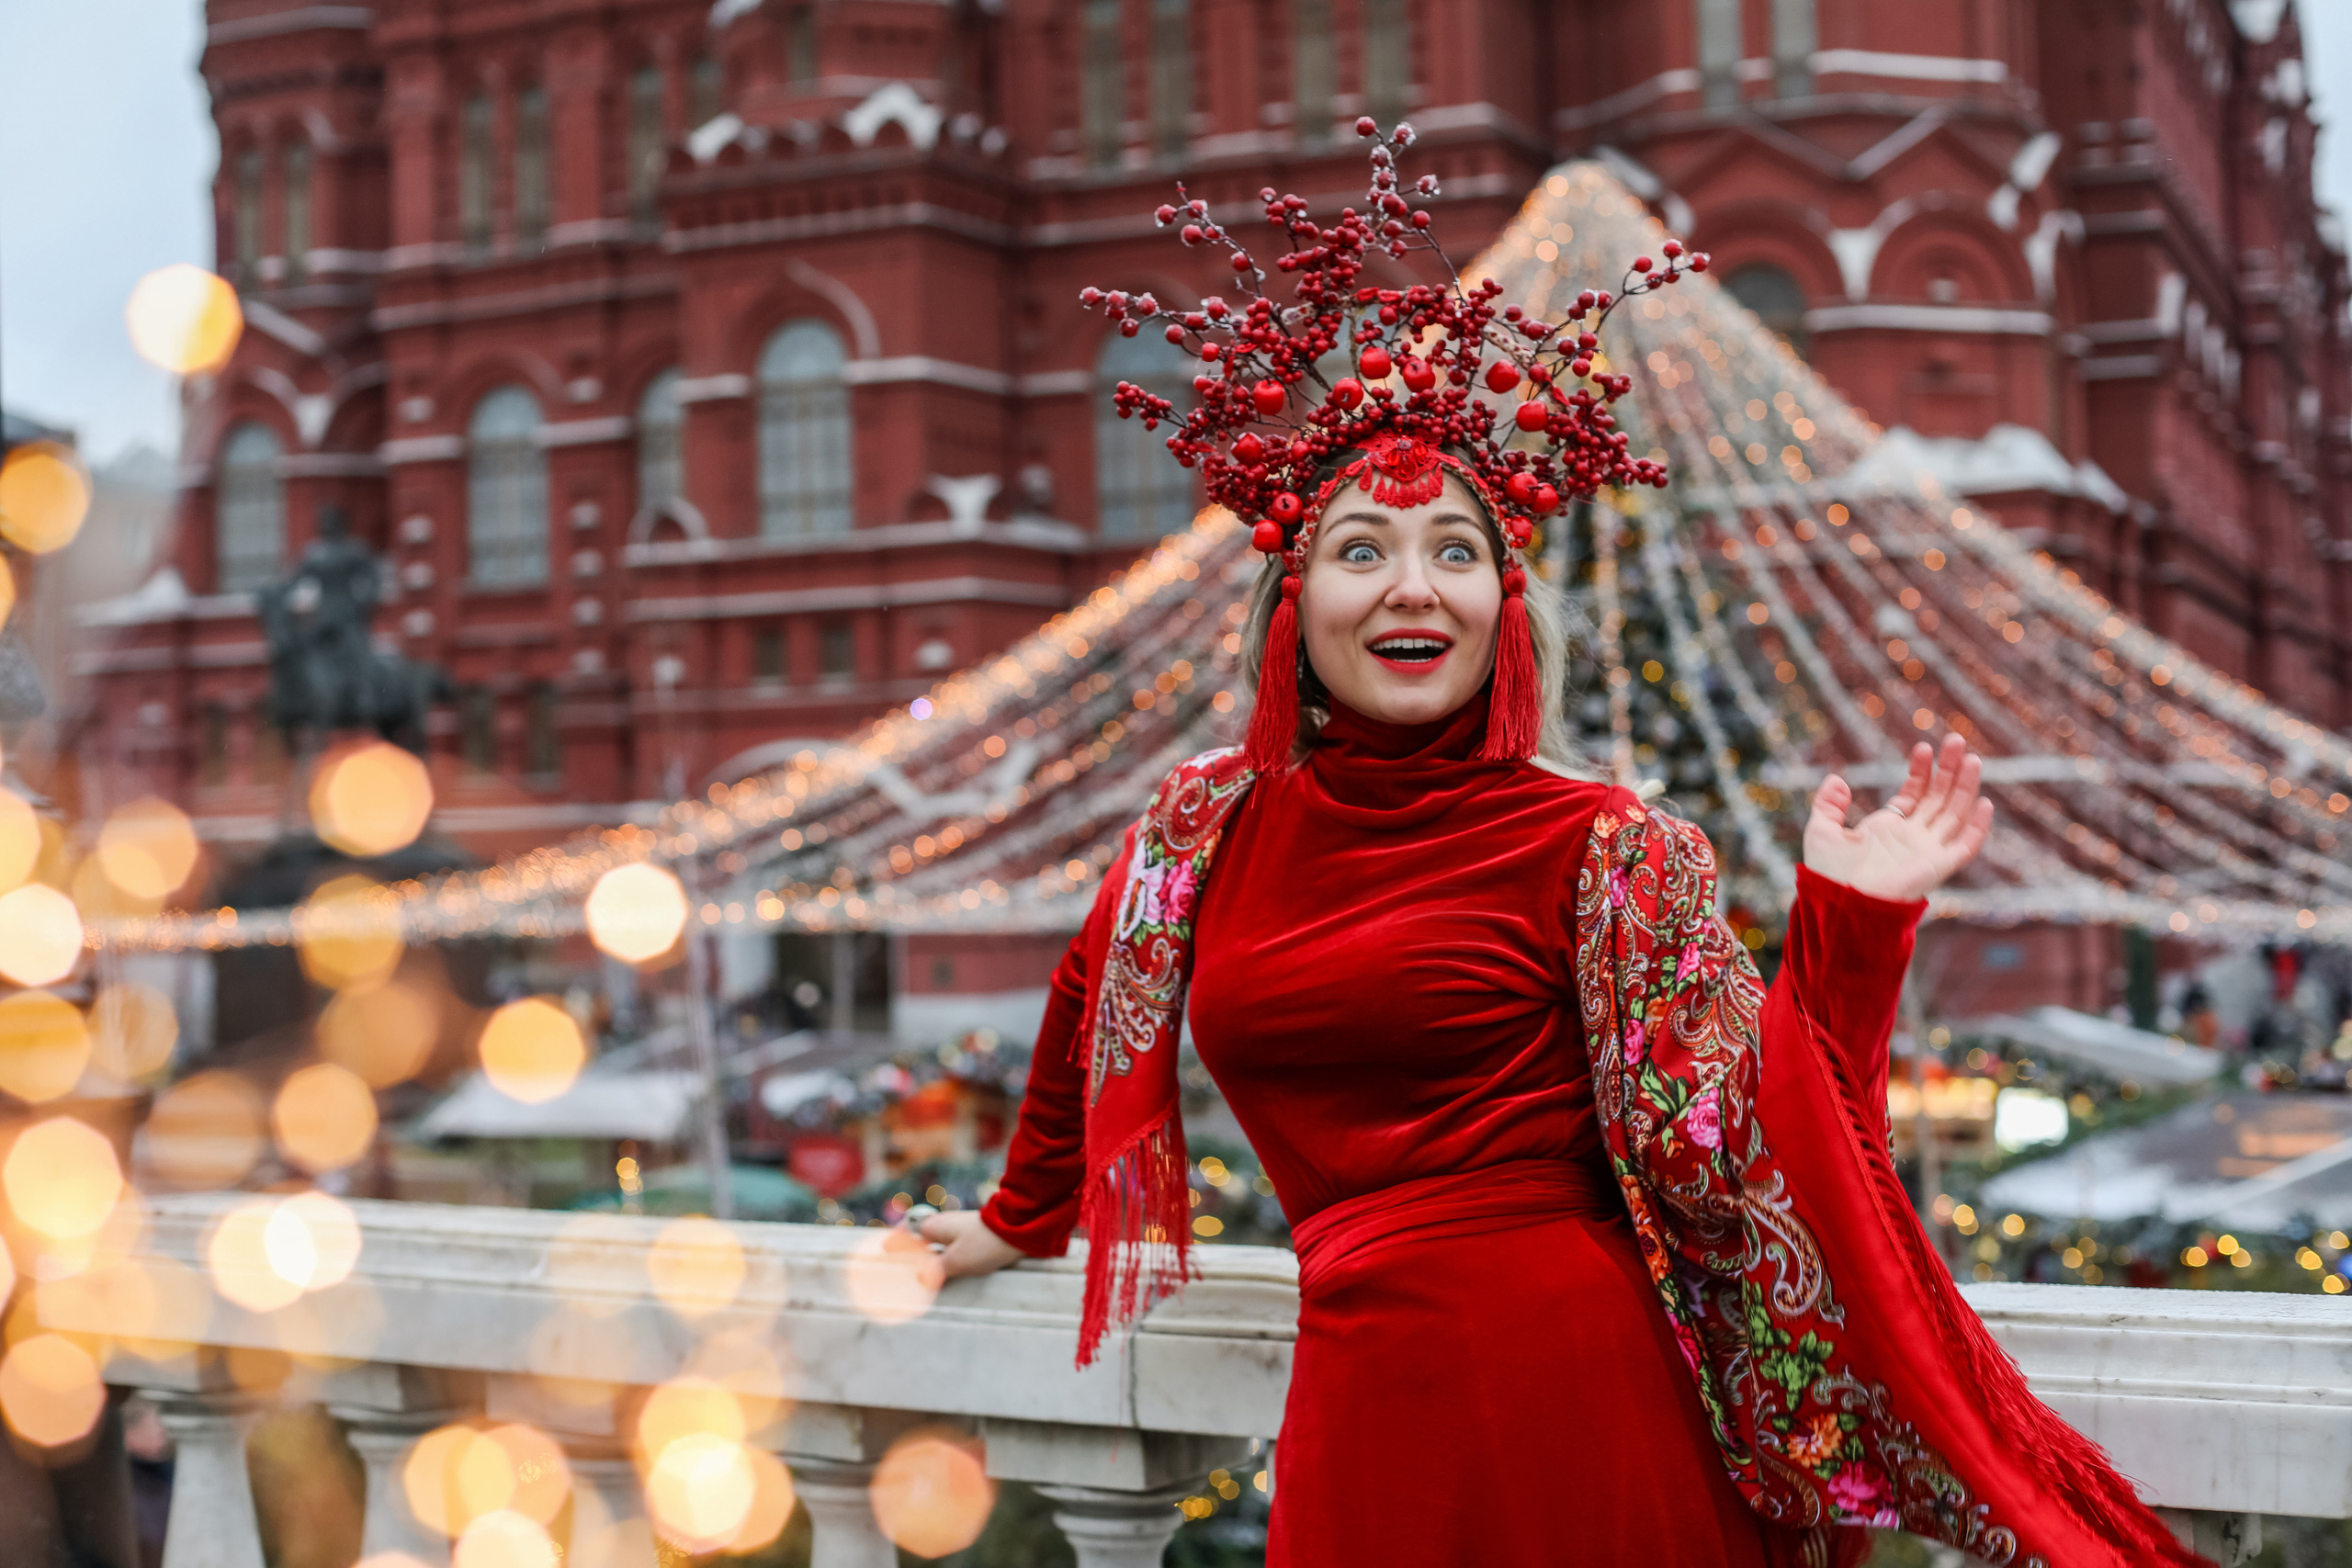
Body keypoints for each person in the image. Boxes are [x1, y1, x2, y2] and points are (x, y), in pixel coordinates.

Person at [920, 124, 2199, 1568]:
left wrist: (1853, 927)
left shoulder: (1603, 845)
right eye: (1362, 552)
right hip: (1366, 1410)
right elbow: (1097, 1002)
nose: (1415, 588)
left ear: (1506, 607)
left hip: (1595, 1403)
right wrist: (1017, 1222)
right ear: (1291, 603)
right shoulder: (1199, 828)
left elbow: (1744, 1149)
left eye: (1457, 553)